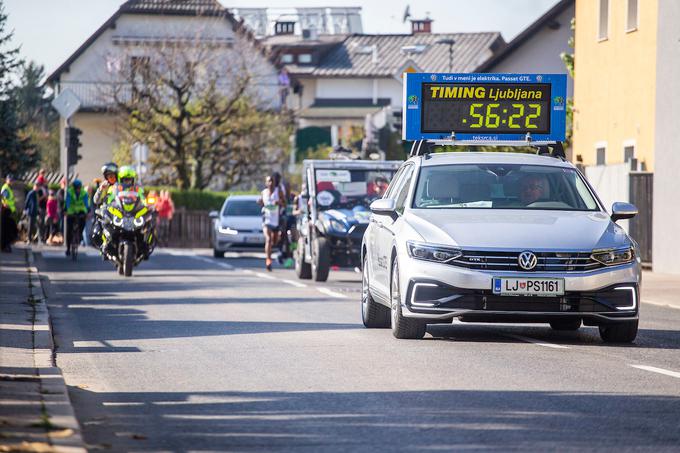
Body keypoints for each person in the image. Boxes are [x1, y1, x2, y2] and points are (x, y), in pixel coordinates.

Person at [258, 174, 283, 271]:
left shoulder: (278, 192)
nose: (271, 183)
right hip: (267, 219)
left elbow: (285, 202)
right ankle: (268, 260)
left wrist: (280, 203)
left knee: (274, 241)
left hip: (276, 219)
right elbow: (261, 203)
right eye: (269, 181)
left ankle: (271, 252)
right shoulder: (263, 193)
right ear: (266, 183)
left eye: (272, 181)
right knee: (268, 239)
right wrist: (260, 202)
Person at [65, 179, 89, 256]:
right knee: (69, 230)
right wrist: (65, 209)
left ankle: (79, 235)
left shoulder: (84, 192)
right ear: (74, 188)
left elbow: (86, 202)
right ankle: (68, 248)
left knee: (82, 224)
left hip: (81, 211)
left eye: (79, 188)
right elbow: (67, 202)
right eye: (76, 188)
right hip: (71, 211)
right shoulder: (69, 192)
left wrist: (88, 209)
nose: (78, 190)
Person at [1, 175, 18, 252]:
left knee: (10, 228)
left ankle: (7, 244)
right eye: (9, 180)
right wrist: (4, 204)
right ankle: (5, 246)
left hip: (9, 210)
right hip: (6, 210)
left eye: (11, 180)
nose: (11, 181)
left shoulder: (9, 188)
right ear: (6, 180)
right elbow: (3, 197)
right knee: (7, 229)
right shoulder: (5, 188)